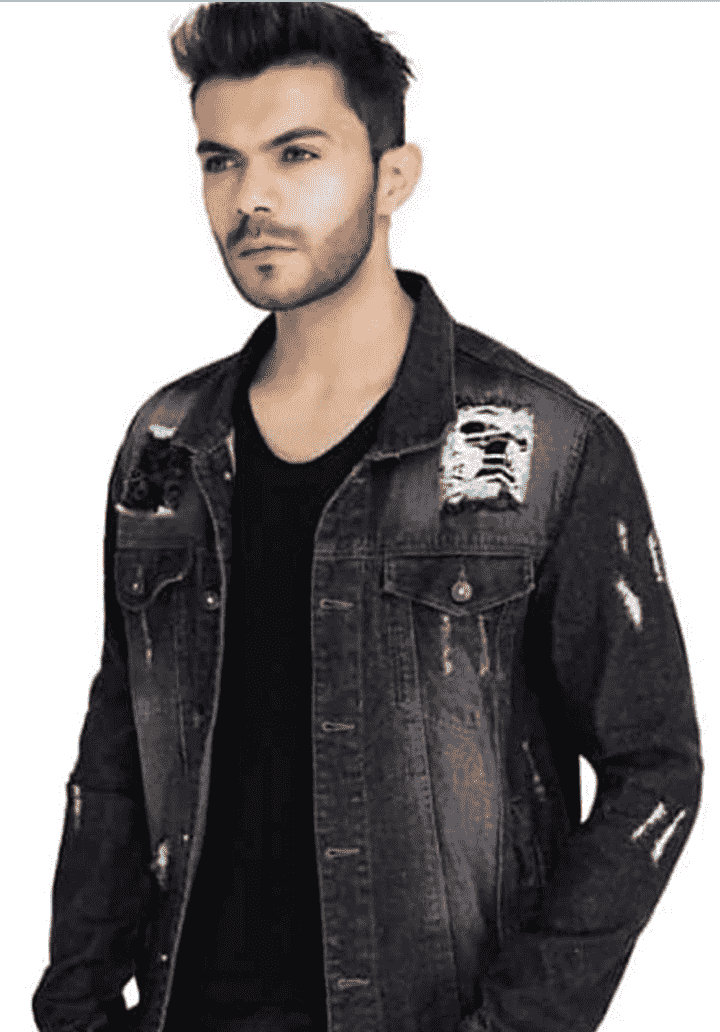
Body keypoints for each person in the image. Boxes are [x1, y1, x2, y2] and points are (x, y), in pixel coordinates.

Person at [32, 4, 702, 1032]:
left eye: (297, 153)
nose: (252, 198)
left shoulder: (546, 447)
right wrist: (75, 1001)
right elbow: (118, 745)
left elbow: (653, 769)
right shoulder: (167, 445)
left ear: (395, 177)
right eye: (220, 161)